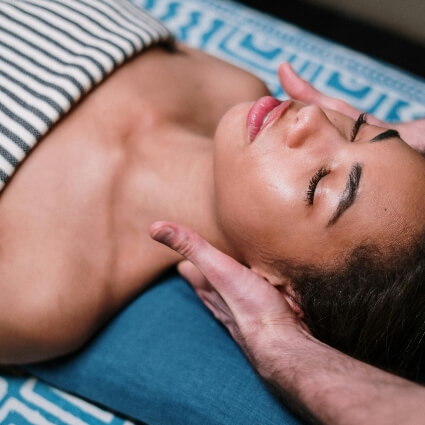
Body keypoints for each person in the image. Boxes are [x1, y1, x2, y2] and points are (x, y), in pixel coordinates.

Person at [0, 0, 424, 387]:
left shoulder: (43, 296)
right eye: (359, 128)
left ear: (281, 293)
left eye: (319, 183)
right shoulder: (232, 85)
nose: (312, 116)